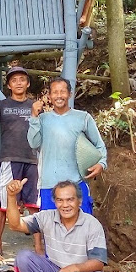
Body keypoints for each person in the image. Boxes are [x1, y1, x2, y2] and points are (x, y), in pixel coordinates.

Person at [0, 66, 43, 260]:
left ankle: (39, 247)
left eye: (22, 79)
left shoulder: (35, 106)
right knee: (3, 205)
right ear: (9, 85)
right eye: (14, 80)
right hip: (9, 159)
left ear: (28, 83)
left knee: (34, 205)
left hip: (32, 159)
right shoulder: (1, 105)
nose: (19, 82)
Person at [7, 179, 110, 272]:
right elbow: (16, 225)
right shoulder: (47, 217)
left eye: (70, 199)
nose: (65, 205)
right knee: (23, 258)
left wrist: (74, 268)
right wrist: (11, 196)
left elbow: (98, 262)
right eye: (60, 200)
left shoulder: (92, 224)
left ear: (80, 201)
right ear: (55, 202)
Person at [28, 77, 107, 214]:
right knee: (51, 231)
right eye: (55, 92)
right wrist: (34, 117)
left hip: (76, 185)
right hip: (49, 185)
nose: (59, 96)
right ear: (49, 96)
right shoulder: (42, 119)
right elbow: (33, 143)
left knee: (82, 230)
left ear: (70, 94)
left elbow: (99, 145)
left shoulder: (83, 118)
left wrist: (101, 163)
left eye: (63, 92)